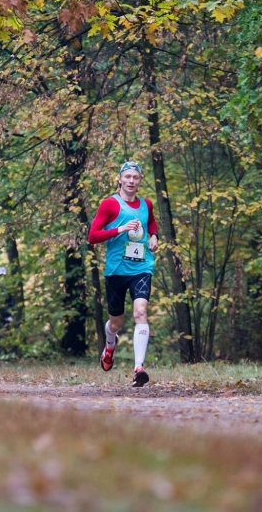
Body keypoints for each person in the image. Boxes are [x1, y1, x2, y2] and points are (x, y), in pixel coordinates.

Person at [88, 160, 159, 387]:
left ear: (140, 181)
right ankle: (110, 346)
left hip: (141, 268)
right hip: (117, 270)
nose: (131, 181)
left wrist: (155, 236)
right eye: (127, 177)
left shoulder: (146, 204)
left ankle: (139, 368)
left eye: (135, 178)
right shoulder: (110, 204)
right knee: (116, 323)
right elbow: (93, 236)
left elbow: (152, 223)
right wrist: (120, 229)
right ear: (120, 179)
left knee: (140, 312)